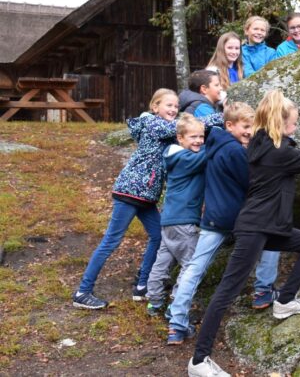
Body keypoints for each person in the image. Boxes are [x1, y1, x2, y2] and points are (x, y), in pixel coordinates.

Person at [188, 90, 300, 377]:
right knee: (226, 292)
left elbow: (290, 155)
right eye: (293, 122)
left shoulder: (263, 143)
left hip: (267, 227)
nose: (296, 126)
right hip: (256, 228)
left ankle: (284, 302)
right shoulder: (277, 151)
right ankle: (198, 361)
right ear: (281, 123)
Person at [72, 89, 222, 310]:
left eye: (175, 106)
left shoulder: (167, 130)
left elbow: (188, 133)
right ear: (155, 107)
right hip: (130, 192)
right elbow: (185, 127)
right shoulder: (154, 125)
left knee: (158, 237)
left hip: (146, 197)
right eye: (168, 105)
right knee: (111, 240)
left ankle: (143, 284)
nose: (173, 110)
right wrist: (224, 116)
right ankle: (83, 292)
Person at [166, 102, 281, 345]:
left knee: (195, 267)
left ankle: (176, 323)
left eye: (253, 127)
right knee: (272, 239)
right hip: (239, 217)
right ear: (229, 125)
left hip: (213, 217)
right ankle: (262, 291)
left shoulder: (212, 145)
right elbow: (251, 183)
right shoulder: (236, 152)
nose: (250, 131)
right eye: (245, 126)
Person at [145, 114, 207, 317]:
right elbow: (204, 157)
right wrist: (217, 142)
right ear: (180, 138)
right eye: (193, 137)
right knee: (190, 264)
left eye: (202, 136)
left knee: (163, 261)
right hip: (184, 221)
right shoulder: (184, 157)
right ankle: (176, 305)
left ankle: (154, 301)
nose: (199, 141)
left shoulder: (175, 156)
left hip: (169, 221)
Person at [206, 32, 244, 98]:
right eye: (230, 48)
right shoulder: (213, 70)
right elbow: (214, 96)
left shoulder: (239, 68)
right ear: (221, 49)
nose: (234, 52)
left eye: (237, 48)